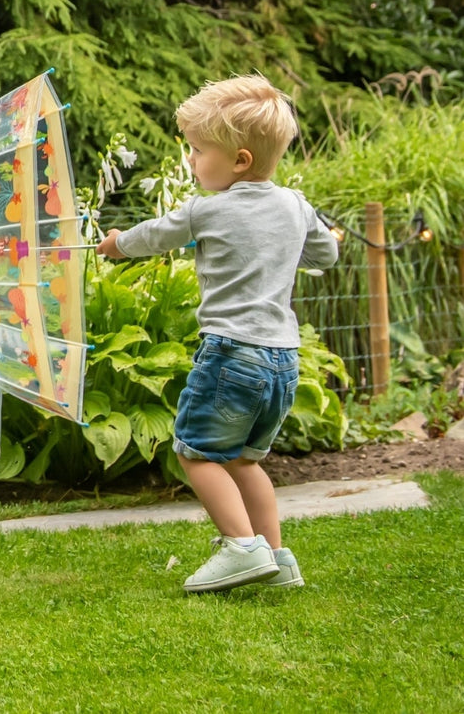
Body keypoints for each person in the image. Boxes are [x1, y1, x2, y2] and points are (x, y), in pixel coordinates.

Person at [97, 74, 338, 593]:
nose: (191, 160)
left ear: (240, 160)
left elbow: (152, 235)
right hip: (283, 360)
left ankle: (240, 548)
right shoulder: (295, 205)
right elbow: (327, 255)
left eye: (198, 150)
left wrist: (116, 244)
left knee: (195, 453)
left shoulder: (207, 209)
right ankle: (277, 559)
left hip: (232, 354)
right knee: (246, 460)